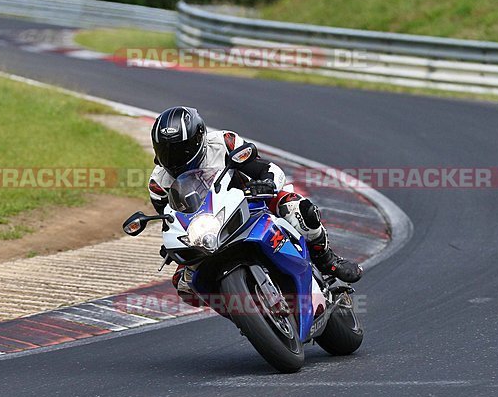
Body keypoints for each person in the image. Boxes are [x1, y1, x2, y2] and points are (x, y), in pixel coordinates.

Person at [148, 106, 363, 289]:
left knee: (299, 210)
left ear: (198, 139)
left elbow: (266, 168)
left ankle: (327, 260)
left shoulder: (224, 143)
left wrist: (266, 183)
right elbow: (171, 218)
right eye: (166, 151)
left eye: (180, 150)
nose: (173, 158)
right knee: (183, 283)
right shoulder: (158, 183)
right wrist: (172, 241)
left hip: (251, 202)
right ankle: (240, 311)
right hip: (208, 231)